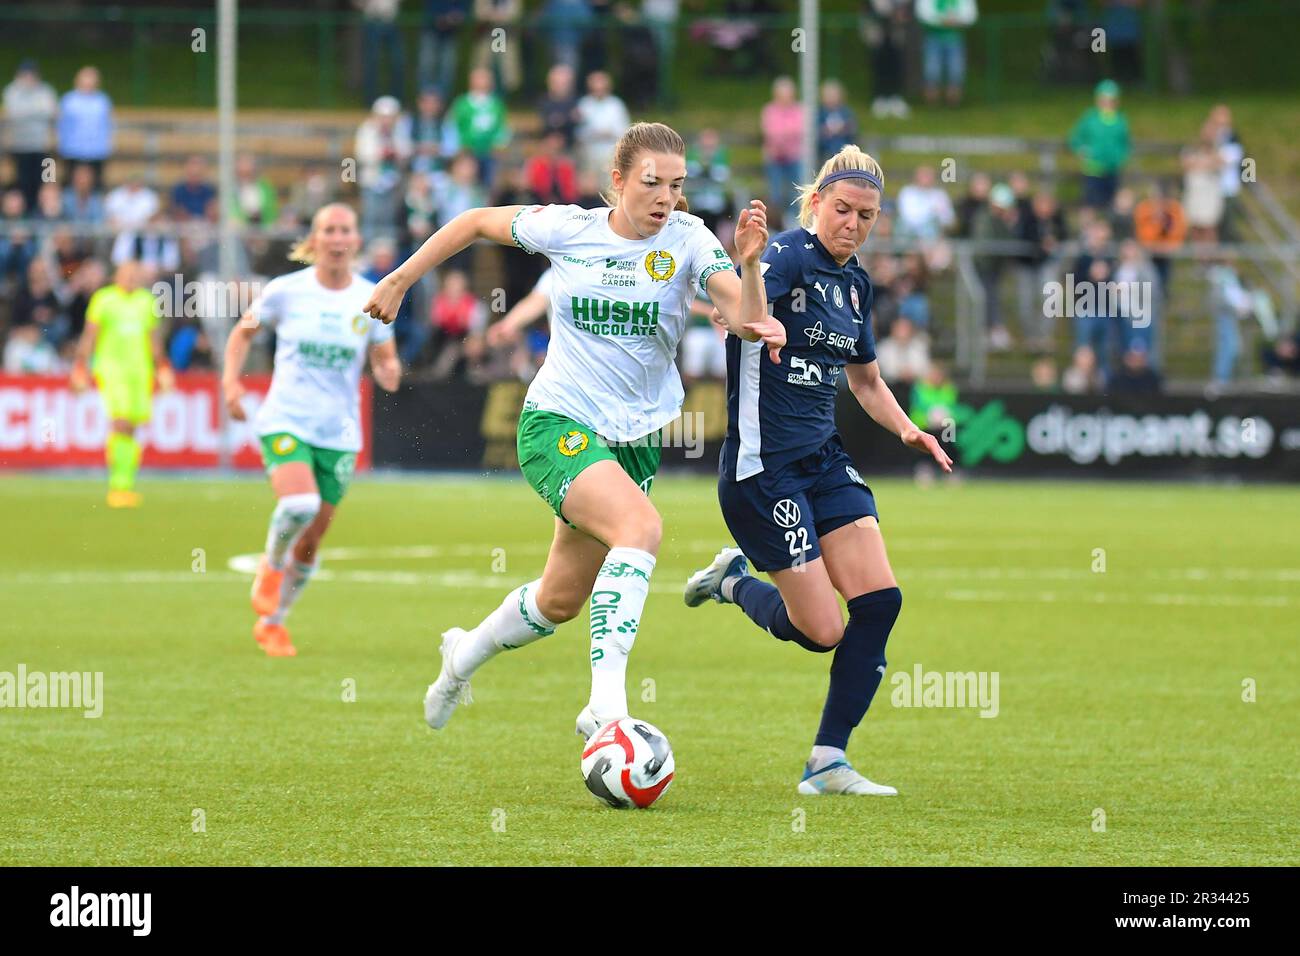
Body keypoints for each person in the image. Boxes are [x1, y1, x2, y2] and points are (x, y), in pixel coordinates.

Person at [361, 121, 782, 740]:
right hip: (557, 420)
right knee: (640, 529)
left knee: (559, 600)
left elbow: (751, 322)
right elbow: (475, 220)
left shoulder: (690, 240)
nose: (665, 197)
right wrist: (400, 279)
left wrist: (749, 267)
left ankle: (461, 657)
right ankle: (606, 710)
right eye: (650, 183)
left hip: (633, 441)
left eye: (675, 184)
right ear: (616, 182)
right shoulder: (570, 228)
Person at [684, 145, 952, 796]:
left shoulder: (856, 283)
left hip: (824, 460)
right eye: (842, 209)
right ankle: (731, 584)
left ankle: (828, 761)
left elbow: (865, 381)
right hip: (763, 469)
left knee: (880, 602)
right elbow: (744, 317)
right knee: (822, 631)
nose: (853, 224)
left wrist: (907, 426)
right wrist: (746, 278)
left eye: (866, 215)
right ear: (815, 203)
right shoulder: (781, 257)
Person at [222, 203, 401, 657]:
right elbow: (243, 333)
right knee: (299, 504)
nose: (338, 239)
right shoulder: (286, 292)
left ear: (356, 240)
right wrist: (230, 384)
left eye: (346, 230)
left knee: (313, 538)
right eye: (329, 230)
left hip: (339, 432)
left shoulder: (370, 297)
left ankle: (274, 621)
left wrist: (390, 370)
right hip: (286, 417)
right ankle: (270, 563)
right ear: (314, 240)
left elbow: (384, 356)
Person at [68, 260, 175, 508]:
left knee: (133, 426)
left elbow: (153, 338)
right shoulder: (104, 299)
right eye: (126, 274)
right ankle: (119, 485)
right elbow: (90, 335)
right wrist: (80, 367)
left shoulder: (145, 301)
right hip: (111, 368)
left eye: (134, 275)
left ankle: (126, 483)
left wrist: (162, 368)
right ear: (116, 275)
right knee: (121, 421)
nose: (130, 279)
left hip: (140, 369)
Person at [3, 60, 58, 211]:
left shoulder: (46, 90)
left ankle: (44, 212)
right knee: (24, 183)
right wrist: (37, 111)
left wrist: (29, 112)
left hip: (43, 147)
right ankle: (26, 211)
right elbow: (15, 113)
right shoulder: (12, 91)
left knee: (48, 180)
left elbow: (50, 112)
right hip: (21, 147)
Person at [1068, 79, 1131, 210]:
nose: (1107, 103)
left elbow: (1125, 143)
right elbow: (1075, 138)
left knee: (1112, 205)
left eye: (1111, 99)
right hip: (1093, 169)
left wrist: (1121, 157)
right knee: (1092, 205)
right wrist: (1081, 150)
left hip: (1113, 170)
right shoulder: (1090, 118)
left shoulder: (1120, 120)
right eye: (1104, 98)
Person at [57, 66, 113, 189]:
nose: (88, 82)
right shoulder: (68, 100)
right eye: (86, 78)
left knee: (95, 187)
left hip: (96, 152)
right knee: (70, 186)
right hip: (72, 151)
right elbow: (62, 126)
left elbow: (107, 126)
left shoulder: (102, 101)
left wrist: (106, 146)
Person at [915, 0, 978, 106]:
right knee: (932, 70)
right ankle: (931, 103)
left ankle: (953, 102)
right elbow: (923, 14)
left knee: (956, 70)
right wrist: (942, 21)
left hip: (955, 37)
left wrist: (956, 21)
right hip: (933, 37)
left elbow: (970, 15)